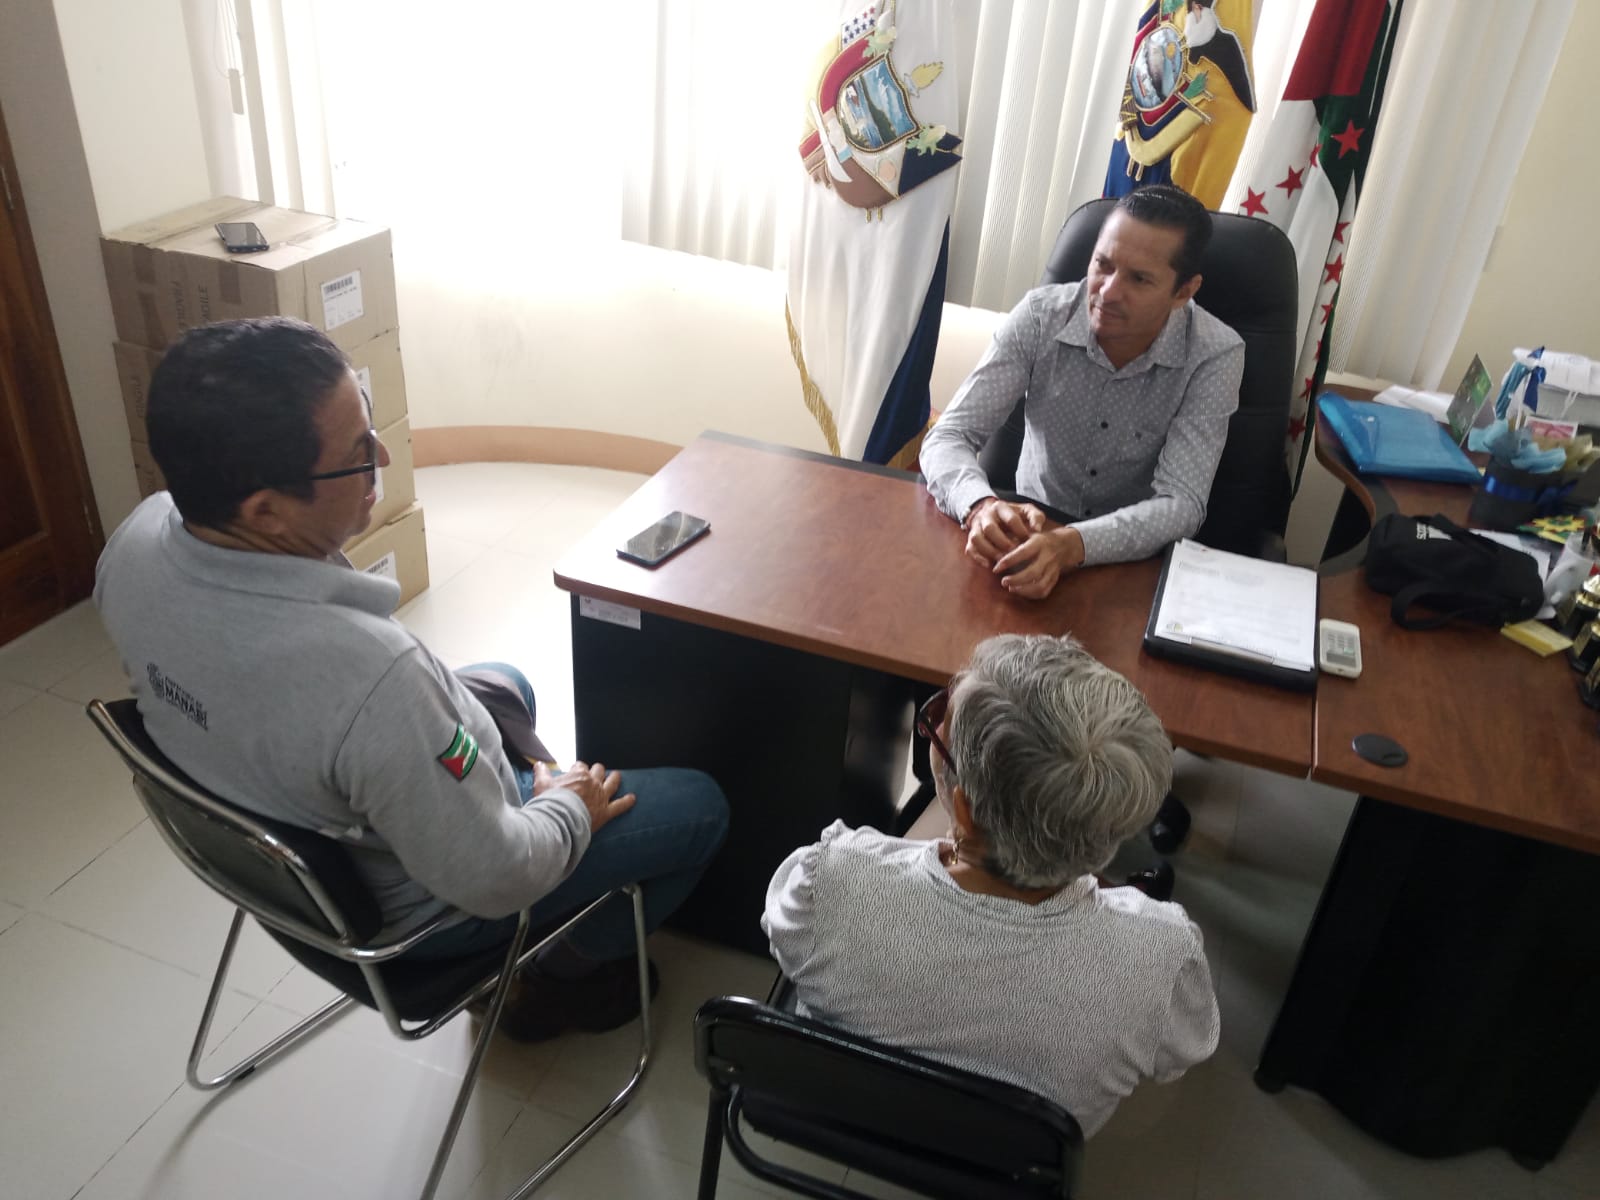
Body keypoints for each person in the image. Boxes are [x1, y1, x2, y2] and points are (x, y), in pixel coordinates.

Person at [95, 317, 729, 1041]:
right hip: (434, 914)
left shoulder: (135, 544)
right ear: (264, 510)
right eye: (356, 456)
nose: (385, 457)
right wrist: (568, 808)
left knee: (504, 683)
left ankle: (527, 825)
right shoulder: (373, 682)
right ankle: (550, 979)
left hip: (286, 834)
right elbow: (500, 878)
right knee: (700, 807)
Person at [763, 634, 1219, 1135]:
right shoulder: (1159, 959)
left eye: (941, 723)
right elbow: (1180, 1053)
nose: (935, 724)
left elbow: (783, 937)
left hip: (842, 1117)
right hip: (1010, 1159)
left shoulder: (832, 879)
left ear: (963, 811)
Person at [919, 184, 1245, 600]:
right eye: (1102, 265)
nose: (1107, 292)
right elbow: (948, 436)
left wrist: (1073, 545)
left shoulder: (1215, 354)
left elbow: (1181, 503)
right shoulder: (1040, 317)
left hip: (1130, 568)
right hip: (1026, 539)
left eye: (1139, 279)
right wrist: (978, 504)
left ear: (1184, 291)